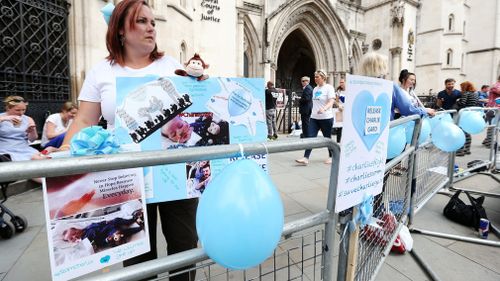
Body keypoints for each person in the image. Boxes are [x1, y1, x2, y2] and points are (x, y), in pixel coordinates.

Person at [59, 1, 198, 280]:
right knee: (135, 251)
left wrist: (202, 82)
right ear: (121, 30)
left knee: (184, 246)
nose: (151, 28)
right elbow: (85, 120)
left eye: (153, 22)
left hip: (173, 168)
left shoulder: (170, 65)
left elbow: (194, 108)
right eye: (142, 22)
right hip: (126, 174)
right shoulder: (102, 71)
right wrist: (62, 150)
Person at [358, 53, 433, 120]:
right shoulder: (389, 86)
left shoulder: (357, 85)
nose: (387, 71)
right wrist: (425, 111)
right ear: (381, 68)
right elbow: (408, 109)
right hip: (385, 130)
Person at [295, 69, 335, 165]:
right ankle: (305, 158)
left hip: (326, 117)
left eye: (317, 77)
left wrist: (324, 109)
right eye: (315, 77)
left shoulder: (329, 88)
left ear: (323, 77)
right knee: (310, 137)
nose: (315, 79)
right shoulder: (315, 89)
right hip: (314, 118)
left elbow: (331, 101)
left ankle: (331, 156)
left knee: (327, 138)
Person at [62, 213, 144, 251]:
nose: (74, 237)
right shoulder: (85, 240)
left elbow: (97, 224)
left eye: (72, 234)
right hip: (109, 233)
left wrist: (105, 222)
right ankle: (139, 228)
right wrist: (106, 240)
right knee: (119, 233)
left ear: (76, 229)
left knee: (117, 220)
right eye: (71, 239)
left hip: (109, 225)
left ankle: (133, 219)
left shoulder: (87, 227)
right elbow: (97, 244)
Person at [0, 96, 39, 161]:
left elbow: (32, 139)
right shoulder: (1, 117)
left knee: (37, 158)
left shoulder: (28, 119)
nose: (21, 113)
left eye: (24, 110)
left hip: (23, 148)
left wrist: (32, 131)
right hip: (4, 148)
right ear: (8, 108)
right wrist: (5, 119)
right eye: (17, 110)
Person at [456, 81, 479, 156]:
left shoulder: (466, 93)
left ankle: (460, 151)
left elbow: (462, 103)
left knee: (461, 132)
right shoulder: (475, 94)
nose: (461, 89)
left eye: (462, 87)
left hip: (464, 114)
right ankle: (467, 149)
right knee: (467, 132)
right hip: (471, 114)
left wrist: (457, 101)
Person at [333, 78, 346, 142]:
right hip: (340, 110)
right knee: (340, 127)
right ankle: (338, 142)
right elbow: (336, 101)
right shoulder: (338, 91)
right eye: (340, 82)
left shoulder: (350, 90)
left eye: (342, 82)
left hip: (347, 110)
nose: (341, 84)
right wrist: (339, 106)